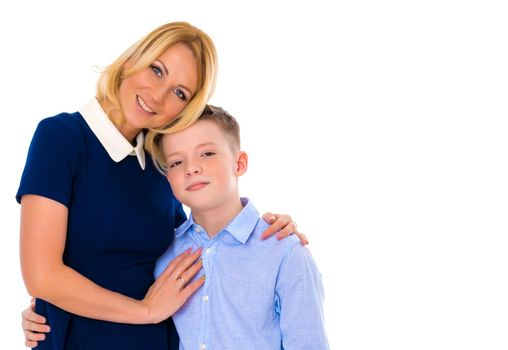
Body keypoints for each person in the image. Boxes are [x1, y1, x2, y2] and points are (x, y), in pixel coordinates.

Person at [17, 22, 305, 350]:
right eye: (157, 70)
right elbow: (41, 276)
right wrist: (145, 310)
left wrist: (265, 231)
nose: (158, 96)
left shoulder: (160, 166)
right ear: (131, 60)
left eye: (180, 92)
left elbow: (206, 248)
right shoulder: (62, 137)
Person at [150, 105, 329, 349]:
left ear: (239, 163)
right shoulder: (164, 253)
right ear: (168, 177)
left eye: (207, 154)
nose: (191, 168)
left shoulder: (284, 252)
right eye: (177, 161)